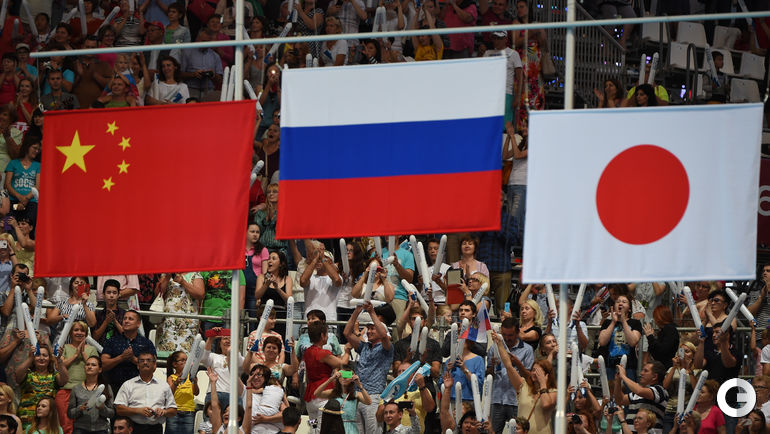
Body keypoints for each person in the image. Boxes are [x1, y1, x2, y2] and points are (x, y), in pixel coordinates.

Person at [492, 330, 556, 434]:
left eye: (539, 371)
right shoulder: (523, 386)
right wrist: (499, 343)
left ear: (547, 374)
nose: (534, 373)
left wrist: (542, 383)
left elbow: (545, 405)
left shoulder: (553, 392)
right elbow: (508, 366)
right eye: (533, 370)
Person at [344, 302, 393, 434]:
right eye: (368, 328)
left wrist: (372, 312)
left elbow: (384, 335)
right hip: (358, 395)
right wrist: (357, 311)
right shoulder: (364, 347)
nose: (369, 331)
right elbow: (347, 333)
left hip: (374, 397)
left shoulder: (387, 348)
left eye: (373, 329)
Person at [487, 318, 534, 434]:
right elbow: (488, 375)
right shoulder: (493, 348)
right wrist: (492, 366)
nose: (507, 338)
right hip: (497, 399)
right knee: (493, 432)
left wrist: (518, 363)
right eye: (504, 335)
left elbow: (530, 378)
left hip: (516, 400)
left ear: (517, 332)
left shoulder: (527, 350)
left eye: (510, 335)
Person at [114, 352, 177, 433]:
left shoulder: (164, 386)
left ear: (154, 365)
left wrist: (164, 412)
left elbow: (173, 411)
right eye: (142, 360)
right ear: (138, 365)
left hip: (156, 429)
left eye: (148, 360)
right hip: (135, 429)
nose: (145, 362)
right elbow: (119, 409)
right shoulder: (128, 384)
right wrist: (138, 411)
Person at [304, 320, 351, 422]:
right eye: (327, 333)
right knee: (324, 426)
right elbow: (343, 363)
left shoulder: (307, 351)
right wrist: (347, 351)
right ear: (322, 335)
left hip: (310, 393)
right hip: (323, 391)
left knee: (313, 426)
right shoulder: (323, 353)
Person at [100, 310, 156, 395]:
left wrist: (133, 359)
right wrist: (121, 357)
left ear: (138, 324)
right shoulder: (112, 341)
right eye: (124, 318)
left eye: (130, 319)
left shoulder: (146, 343)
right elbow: (103, 365)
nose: (126, 321)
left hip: (139, 387)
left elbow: (153, 367)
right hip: (114, 386)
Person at [57, 321, 99, 434]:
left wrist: (83, 353)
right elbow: (59, 365)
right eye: (76, 330)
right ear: (70, 333)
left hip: (86, 391)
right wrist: (76, 355)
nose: (79, 333)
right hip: (66, 390)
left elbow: (96, 367)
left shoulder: (92, 349)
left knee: (84, 426)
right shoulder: (65, 347)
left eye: (82, 330)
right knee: (66, 426)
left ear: (86, 334)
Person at [15, 344, 68, 430]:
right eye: (38, 355)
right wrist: (30, 358)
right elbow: (17, 376)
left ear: (49, 359)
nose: (41, 358)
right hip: (26, 418)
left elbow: (64, 380)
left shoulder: (54, 375)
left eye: (45, 355)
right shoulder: (28, 373)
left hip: (46, 420)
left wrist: (59, 360)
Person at [513, 0, 546, 127]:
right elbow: (515, 42)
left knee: (537, 102)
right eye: (518, 7)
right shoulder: (516, 23)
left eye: (522, 7)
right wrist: (531, 33)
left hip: (536, 71)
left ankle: (537, 128)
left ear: (528, 8)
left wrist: (539, 33)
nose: (519, 10)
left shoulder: (536, 24)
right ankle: (522, 130)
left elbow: (544, 45)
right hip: (522, 71)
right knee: (522, 102)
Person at [613, 360, 669, 433]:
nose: (641, 373)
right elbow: (620, 401)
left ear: (654, 376)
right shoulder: (637, 392)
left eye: (645, 371)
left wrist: (623, 376)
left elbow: (639, 391)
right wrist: (618, 380)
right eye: (642, 370)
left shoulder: (660, 390)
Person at [155, 272, 204, 353]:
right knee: (165, 350)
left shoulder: (195, 274)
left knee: (186, 352)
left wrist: (183, 282)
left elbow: (200, 294)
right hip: (167, 321)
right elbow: (158, 293)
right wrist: (167, 277)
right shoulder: (166, 274)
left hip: (187, 323)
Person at [598, 294, 642, 382]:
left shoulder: (635, 323)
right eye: (618, 302)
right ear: (614, 307)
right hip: (609, 365)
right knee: (610, 389)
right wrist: (613, 322)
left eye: (624, 302)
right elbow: (602, 342)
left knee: (627, 390)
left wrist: (623, 321)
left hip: (629, 367)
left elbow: (633, 342)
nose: (620, 303)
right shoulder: (607, 323)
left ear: (629, 309)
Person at [314, 368, 371, 434]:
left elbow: (368, 402)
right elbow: (316, 393)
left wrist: (359, 385)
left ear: (352, 378)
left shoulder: (356, 394)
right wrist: (331, 378)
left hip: (351, 428)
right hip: (335, 427)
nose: (344, 378)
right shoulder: (332, 392)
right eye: (342, 375)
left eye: (347, 375)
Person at [66, 356, 114, 434]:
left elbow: (112, 413)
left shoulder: (106, 387)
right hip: (80, 429)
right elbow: (69, 414)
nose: (89, 367)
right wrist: (80, 409)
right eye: (87, 364)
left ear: (100, 369)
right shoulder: (76, 388)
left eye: (93, 365)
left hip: (101, 429)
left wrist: (103, 408)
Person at [661, 342, 699, 434]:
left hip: (687, 412)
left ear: (693, 355)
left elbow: (696, 390)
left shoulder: (697, 371)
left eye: (687, 351)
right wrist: (674, 367)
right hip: (670, 410)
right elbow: (665, 386)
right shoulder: (672, 369)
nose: (684, 354)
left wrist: (689, 370)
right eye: (681, 351)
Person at [45, 277, 97, 343]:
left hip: (80, 343)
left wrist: (84, 304)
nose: (79, 285)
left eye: (82, 283)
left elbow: (92, 323)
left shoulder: (89, 305)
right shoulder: (62, 303)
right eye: (76, 283)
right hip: (62, 343)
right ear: (71, 285)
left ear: (86, 286)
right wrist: (62, 316)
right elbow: (49, 320)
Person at [202, 327, 244, 406]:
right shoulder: (214, 357)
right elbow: (203, 358)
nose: (228, 341)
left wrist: (235, 347)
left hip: (233, 395)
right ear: (220, 344)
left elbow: (240, 365)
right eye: (225, 338)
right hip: (215, 393)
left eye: (231, 338)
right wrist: (210, 339)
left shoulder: (241, 358)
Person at [4, 137, 40, 225]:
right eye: (34, 148)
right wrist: (20, 197)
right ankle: (6, 233)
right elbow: (7, 184)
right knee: (7, 224)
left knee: (28, 225)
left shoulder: (38, 165)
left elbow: (38, 186)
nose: (36, 151)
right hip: (12, 202)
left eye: (38, 149)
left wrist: (25, 199)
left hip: (30, 203)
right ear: (27, 147)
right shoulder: (13, 163)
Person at [165, 351, 200, 434]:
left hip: (189, 412)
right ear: (175, 364)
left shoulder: (191, 377)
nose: (186, 363)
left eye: (187, 360)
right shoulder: (171, 378)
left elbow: (196, 393)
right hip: (174, 412)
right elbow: (169, 393)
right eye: (183, 360)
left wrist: (195, 382)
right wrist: (176, 382)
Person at [644, 305, 679, 370]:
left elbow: (662, 351)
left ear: (659, 318)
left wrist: (650, 337)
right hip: (663, 366)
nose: (654, 320)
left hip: (666, 367)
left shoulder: (669, 329)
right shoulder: (665, 330)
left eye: (655, 317)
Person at [90, 280, 125, 344]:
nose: (111, 295)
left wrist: (115, 321)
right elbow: (94, 337)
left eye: (114, 293)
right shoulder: (98, 314)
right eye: (108, 292)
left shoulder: (124, 314)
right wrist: (106, 322)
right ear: (103, 294)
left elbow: (127, 336)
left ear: (118, 295)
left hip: (120, 348)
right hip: (101, 348)